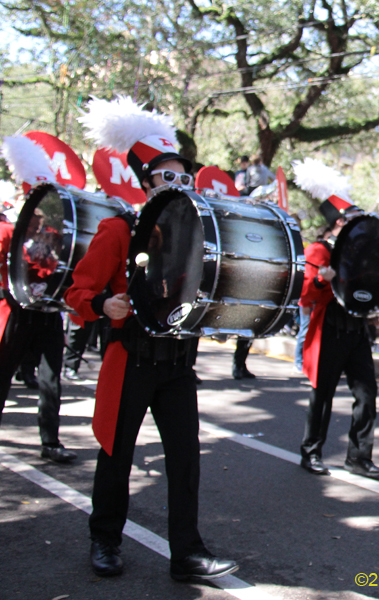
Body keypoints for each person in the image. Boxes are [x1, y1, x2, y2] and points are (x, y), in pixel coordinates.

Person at [71, 96, 237, 581]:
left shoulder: (200, 236)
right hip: (133, 359)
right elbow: (78, 290)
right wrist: (103, 304)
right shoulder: (119, 229)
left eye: (185, 178)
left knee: (185, 461)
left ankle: (187, 555)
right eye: (168, 177)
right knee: (116, 454)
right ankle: (105, 540)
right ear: (147, 184)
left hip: (179, 363)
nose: (179, 185)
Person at [292, 159, 379, 479]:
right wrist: (322, 280)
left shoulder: (360, 251)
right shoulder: (318, 250)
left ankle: (359, 457)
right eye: (354, 219)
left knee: (367, 395)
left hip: (356, 331)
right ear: (340, 221)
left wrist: (373, 313)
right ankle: (311, 452)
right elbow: (305, 295)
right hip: (329, 329)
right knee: (323, 396)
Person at [0, 137, 76, 463]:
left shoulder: (53, 237)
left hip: (46, 312)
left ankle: (51, 441)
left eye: (42, 215)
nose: (37, 220)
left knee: (50, 380)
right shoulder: (6, 232)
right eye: (33, 213)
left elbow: (62, 268)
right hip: (14, 311)